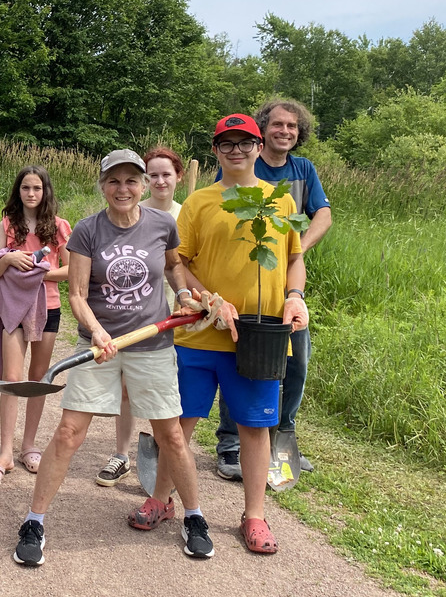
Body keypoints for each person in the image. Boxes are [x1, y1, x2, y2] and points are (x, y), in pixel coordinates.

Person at [12, 150, 211, 567]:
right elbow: (77, 294)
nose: (123, 189)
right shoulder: (88, 230)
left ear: (143, 185)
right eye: (114, 181)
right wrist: (98, 331)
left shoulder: (161, 224)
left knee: (172, 436)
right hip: (98, 346)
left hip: (152, 346)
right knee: (69, 432)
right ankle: (34, 521)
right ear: (103, 186)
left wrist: (182, 293)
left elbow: (174, 265)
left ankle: (194, 517)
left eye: (131, 181)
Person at [171, 113, 308, 554]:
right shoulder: (199, 202)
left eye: (245, 142)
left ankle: (254, 516)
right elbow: (177, 263)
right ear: (215, 150)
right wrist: (209, 299)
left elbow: (294, 258)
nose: (236, 150)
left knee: (254, 427)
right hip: (200, 333)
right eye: (226, 143)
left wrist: (295, 297)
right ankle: (161, 499)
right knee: (179, 423)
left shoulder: (279, 201)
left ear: (258, 148)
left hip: (260, 337)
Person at [212, 99, 331, 480]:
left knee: (296, 360)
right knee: (240, 359)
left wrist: (295, 248)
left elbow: (323, 213)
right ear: (262, 132)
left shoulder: (303, 169)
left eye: (292, 126)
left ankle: (283, 435)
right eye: (277, 124)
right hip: (246, 280)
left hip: (286, 282)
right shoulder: (244, 161)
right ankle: (231, 442)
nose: (285, 131)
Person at [95, 146, 185, 488]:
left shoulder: (185, 213)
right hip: (136, 320)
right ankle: (122, 453)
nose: (161, 181)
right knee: (126, 389)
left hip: (178, 316)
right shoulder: (129, 208)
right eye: (154, 174)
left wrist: (187, 296)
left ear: (178, 177)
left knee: (167, 396)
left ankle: (167, 458)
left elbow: (180, 264)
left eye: (166, 174)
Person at [0, 165, 70, 487]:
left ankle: (29, 446)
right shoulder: (7, 224)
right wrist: (8, 260)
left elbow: (71, 269)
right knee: (12, 379)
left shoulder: (59, 226)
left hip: (49, 307)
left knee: (38, 379)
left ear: (46, 192)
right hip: (14, 308)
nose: (31, 194)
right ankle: (5, 452)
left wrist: (36, 272)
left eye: (37, 188)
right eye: (25, 188)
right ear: (18, 191)